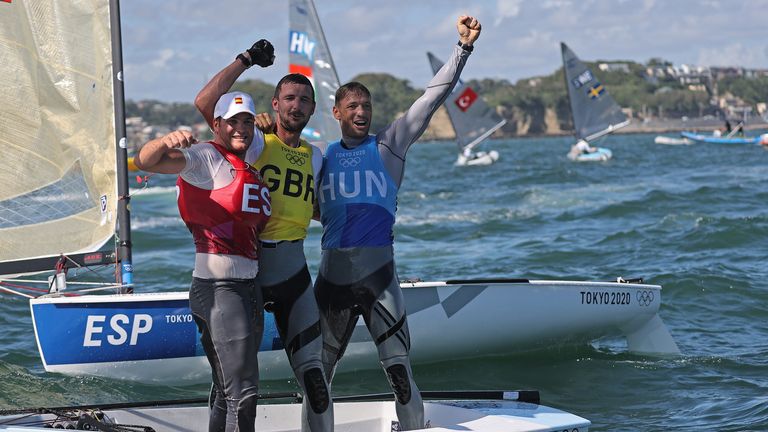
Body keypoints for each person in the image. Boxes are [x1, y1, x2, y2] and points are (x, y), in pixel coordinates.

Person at [314, 15, 482, 431]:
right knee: (316, 381)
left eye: (366, 106)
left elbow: (431, 97)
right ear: (336, 112)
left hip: (379, 280)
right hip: (330, 281)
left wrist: (462, 48)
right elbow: (303, 204)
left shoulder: (391, 144)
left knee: (401, 376)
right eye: (352, 106)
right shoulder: (319, 157)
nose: (361, 112)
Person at [194, 41, 331, 431]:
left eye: (305, 100)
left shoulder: (316, 156)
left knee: (316, 381)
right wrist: (246, 60)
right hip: (248, 276)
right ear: (274, 105)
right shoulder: (254, 141)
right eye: (289, 98)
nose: (297, 105)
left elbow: (314, 209)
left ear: (313, 109)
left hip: (295, 275)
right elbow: (208, 103)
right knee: (231, 385)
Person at [133, 86, 271, 431]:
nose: (241, 127)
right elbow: (147, 160)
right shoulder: (204, 157)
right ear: (217, 125)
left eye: (248, 121)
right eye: (233, 121)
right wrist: (166, 141)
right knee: (244, 391)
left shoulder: (247, 160)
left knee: (228, 391)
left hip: (249, 288)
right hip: (219, 288)